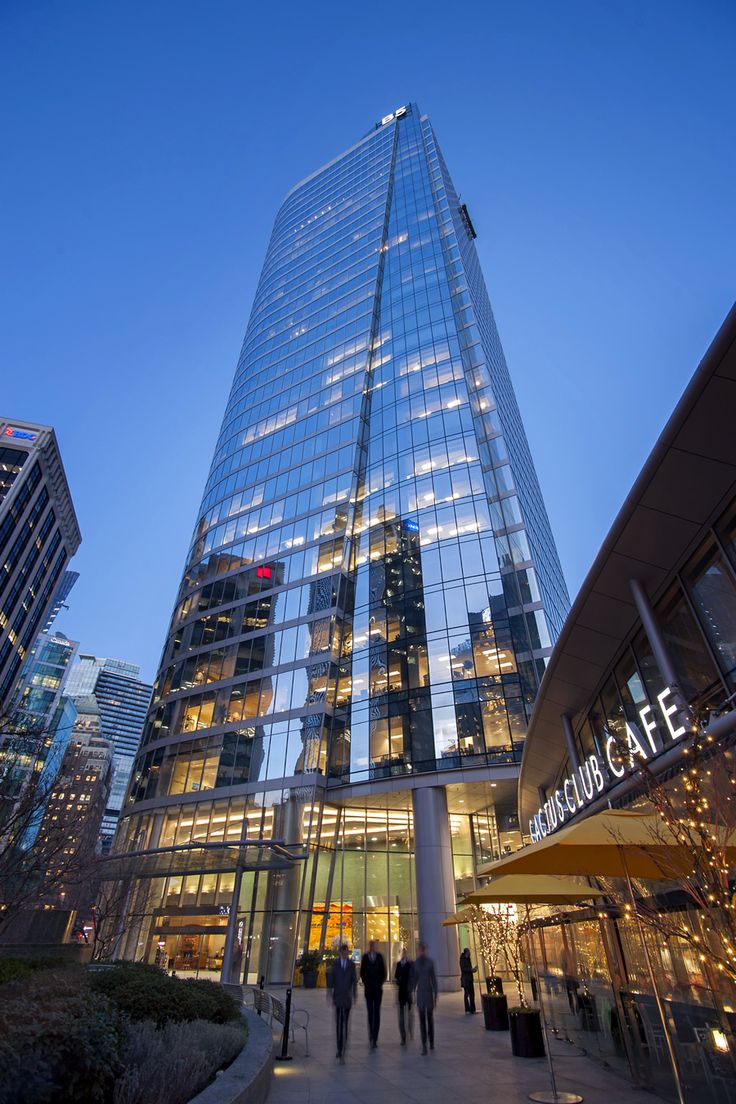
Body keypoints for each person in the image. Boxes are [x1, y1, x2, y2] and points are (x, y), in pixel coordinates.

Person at [327, 943, 357, 1063]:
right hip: (338, 998)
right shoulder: (335, 964)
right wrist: (329, 993)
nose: (345, 954)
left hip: (347, 998)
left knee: (345, 1024)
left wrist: (354, 994)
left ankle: (343, 1048)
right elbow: (331, 979)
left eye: (346, 952)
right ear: (340, 953)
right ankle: (339, 1048)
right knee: (339, 1024)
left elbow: (354, 980)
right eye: (344, 952)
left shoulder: (351, 965)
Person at [360, 939, 387, 1048]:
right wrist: (366, 982)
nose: (373, 947)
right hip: (369, 990)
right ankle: (371, 1034)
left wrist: (379, 983)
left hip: (377, 990)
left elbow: (384, 972)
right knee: (370, 1012)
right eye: (372, 945)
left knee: (377, 1013)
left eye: (375, 946)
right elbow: (362, 972)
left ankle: (375, 1037)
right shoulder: (365, 957)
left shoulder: (380, 957)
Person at [413, 942, 438, 1055]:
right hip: (420, 995)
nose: (421, 952)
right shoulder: (416, 963)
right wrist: (411, 992)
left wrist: (435, 994)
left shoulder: (430, 963)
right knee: (422, 1021)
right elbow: (414, 980)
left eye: (423, 950)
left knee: (430, 1019)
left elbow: (433, 980)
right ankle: (424, 1044)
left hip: (428, 994)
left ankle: (431, 1040)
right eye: (420, 950)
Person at [394, 947, 414, 1045]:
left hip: (408, 993)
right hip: (401, 993)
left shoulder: (410, 964)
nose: (404, 954)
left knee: (410, 1015)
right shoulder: (398, 964)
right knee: (401, 1016)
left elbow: (413, 976)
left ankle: (410, 1030)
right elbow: (396, 975)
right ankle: (403, 1036)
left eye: (405, 953)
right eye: (403, 953)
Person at [459, 948, 477, 1014]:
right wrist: (471, 970)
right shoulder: (462, 960)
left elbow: (468, 969)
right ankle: (467, 1009)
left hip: (470, 979)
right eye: (469, 952)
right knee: (466, 994)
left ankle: (473, 1009)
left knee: (472, 994)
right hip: (466, 979)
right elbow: (463, 969)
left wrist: (473, 970)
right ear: (466, 952)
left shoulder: (468, 959)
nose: (470, 953)